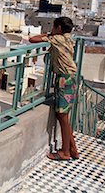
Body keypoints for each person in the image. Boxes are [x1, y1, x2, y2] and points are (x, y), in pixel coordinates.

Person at [29, 17, 79, 161]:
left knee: (62, 116)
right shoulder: (69, 38)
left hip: (65, 79)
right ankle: (73, 149)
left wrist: (49, 35)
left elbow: (33, 39)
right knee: (63, 116)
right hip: (70, 78)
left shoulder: (58, 39)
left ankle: (65, 152)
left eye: (53, 27)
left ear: (58, 28)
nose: (52, 29)